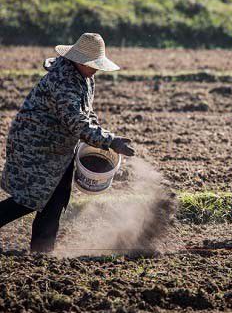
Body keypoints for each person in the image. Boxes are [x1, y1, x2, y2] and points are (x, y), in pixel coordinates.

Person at [0, 33, 135, 253]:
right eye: (93, 65)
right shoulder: (63, 81)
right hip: (36, 146)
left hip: (58, 147)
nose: (96, 69)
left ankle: (42, 252)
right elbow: (77, 122)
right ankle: (41, 250)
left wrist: (102, 137)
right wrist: (110, 141)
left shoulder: (85, 78)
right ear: (79, 61)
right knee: (29, 199)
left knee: (57, 199)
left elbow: (87, 115)